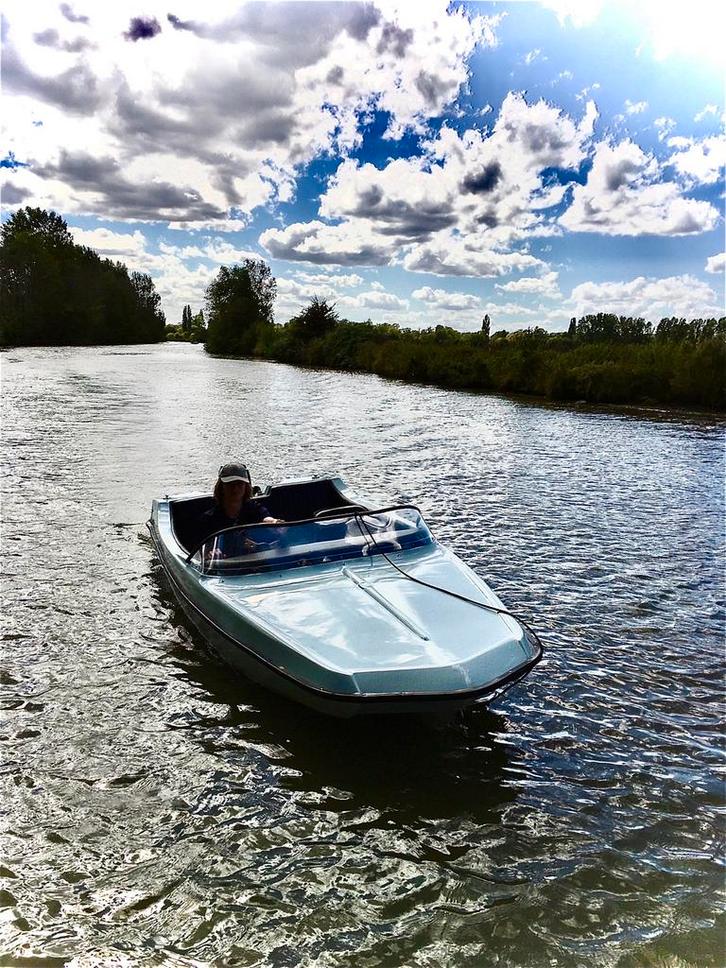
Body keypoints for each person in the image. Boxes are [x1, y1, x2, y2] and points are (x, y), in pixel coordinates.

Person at [193, 463, 280, 555]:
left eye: (240, 484)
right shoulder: (208, 519)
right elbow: (202, 551)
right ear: (221, 487)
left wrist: (275, 523)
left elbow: (266, 518)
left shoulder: (254, 509)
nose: (235, 489)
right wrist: (211, 553)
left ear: (246, 487)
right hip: (225, 566)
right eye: (230, 484)